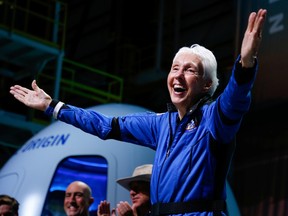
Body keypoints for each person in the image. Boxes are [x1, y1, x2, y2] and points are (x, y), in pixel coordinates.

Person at [10, 8, 267, 216]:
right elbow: (105, 125)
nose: (178, 75)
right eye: (174, 68)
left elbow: (235, 99)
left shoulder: (213, 119)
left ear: (207, 84)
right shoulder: (160, 125)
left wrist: (245, 64)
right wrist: (52, 106)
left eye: (189, 70)